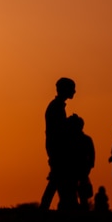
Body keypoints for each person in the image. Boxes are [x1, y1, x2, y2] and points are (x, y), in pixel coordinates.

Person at [40, 77, 76, 211]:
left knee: (59, 179)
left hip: (56, 147)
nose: (74, 91)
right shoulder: (56, 107)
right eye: (72, 88)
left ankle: (65, 207)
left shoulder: (57, 106)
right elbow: (57, 130)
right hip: (57, 148)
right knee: (57, 178)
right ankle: (45, 208)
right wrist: (70, 124)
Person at [67, 114, 95, 210]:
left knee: (81, 191)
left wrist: (89, 166)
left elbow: (91, 154)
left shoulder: (83, 139)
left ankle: (81, 209)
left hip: (80, 168)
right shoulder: (83, 139)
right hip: (75, 168)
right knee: (72, 191)